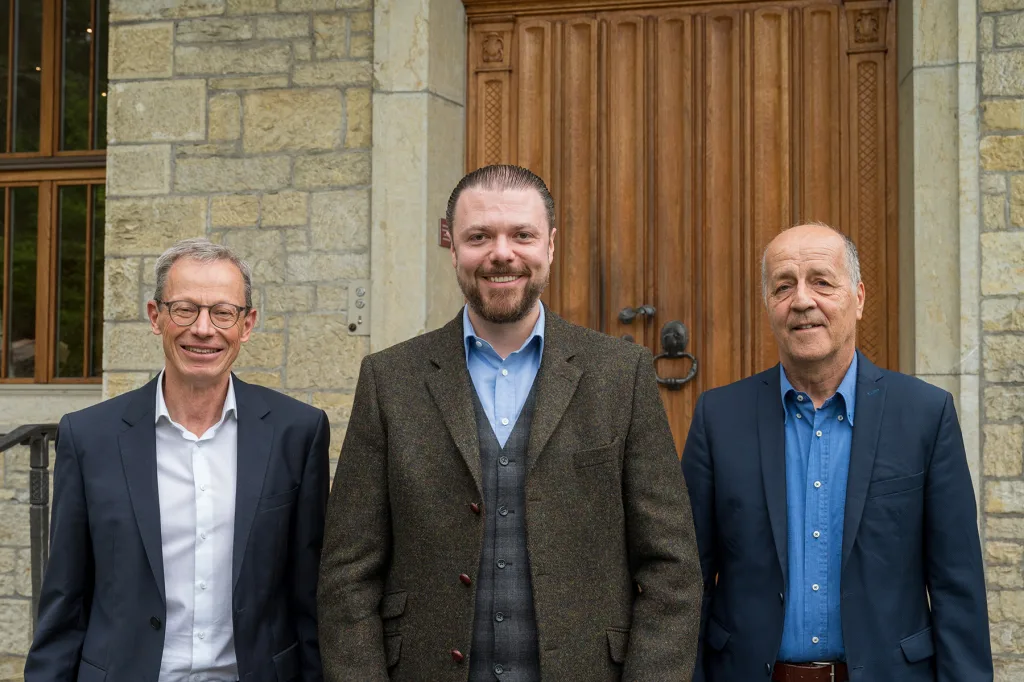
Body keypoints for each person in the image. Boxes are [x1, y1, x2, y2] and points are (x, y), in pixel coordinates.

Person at [317, 164, 701, 681]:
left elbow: (671, 568)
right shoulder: (390, 380)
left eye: (522, 234)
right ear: (453, 248)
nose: (502, 253)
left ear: (550, 245)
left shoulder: (620, 374)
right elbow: (347, 574)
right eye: (480, 237)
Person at [682, 223, 992, 682]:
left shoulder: (926, 416)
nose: (802, 301)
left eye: (822, 282)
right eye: (783, 286)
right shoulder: (718, 418)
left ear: (860, 297)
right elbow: (687, 582)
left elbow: (957, 587)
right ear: (769, 306)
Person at [26, 238, 330, 682]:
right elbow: (65, 600)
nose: (203, 329)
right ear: (156, 317)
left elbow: (309, 596)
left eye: (223, 313)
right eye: (185, 309)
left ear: (247, 325)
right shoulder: (90, 436)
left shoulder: (297, 432)